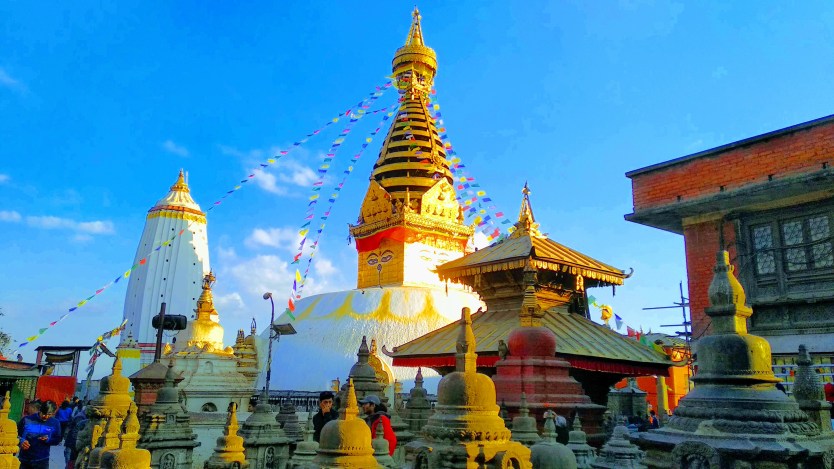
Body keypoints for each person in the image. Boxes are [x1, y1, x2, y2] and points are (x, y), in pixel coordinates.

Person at [17, 400, 62, 469]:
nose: (45, 416)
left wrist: (48, 440)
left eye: (49, 415)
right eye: (44, 413)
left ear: (53, 413)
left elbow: (57, 439)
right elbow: (16, 435)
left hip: (42, 460)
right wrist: (21, 441)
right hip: (24, 460)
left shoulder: (55, 423)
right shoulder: (27, 420)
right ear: (40, 410)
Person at [63, 403, 87, 469]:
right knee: (70, 463)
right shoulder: (81, 418)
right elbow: (75, 433)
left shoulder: (83, 417)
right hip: (72, 444)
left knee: (71, 463)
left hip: (74, 444)